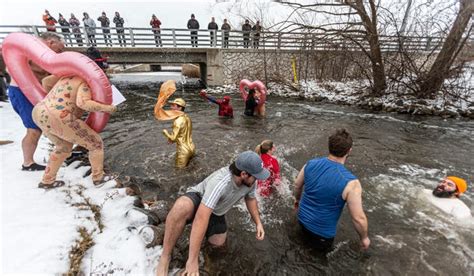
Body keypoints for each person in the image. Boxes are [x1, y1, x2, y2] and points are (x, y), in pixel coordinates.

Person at [155, 150, 269, 276]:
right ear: (243, 174)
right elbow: (201, 218)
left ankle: (206, 265)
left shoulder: (250, 181)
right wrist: (192, 260)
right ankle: (165, 258)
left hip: (217, 212)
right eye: (256, 176)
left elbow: (251, 199)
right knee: (181, 207)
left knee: (219, 247)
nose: (258, 179)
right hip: (199, 200)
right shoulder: (220, 182)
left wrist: (258, 223)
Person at [32, 64, 116, 188]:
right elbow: (83, 103)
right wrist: (108, 108)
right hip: (60, 115)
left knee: (63, 147)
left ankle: (47, 180)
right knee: (96, 144)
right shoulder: (86, 81)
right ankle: (98, 177)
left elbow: (46, 81)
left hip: (39, 111)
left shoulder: (66, 76)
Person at [294, 129, 370, 252]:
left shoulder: (310, 164)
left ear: (329, 147)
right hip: (322, 235)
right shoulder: (351, 183)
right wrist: (364, 238)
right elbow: (358, 218)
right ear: (349, 151)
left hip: (302, 220)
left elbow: (297, 185)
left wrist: (297, 200)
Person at [7, 32, 65, 171]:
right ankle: (28, 163)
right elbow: (12, 68)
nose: (60, 52)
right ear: (51, 42)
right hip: (21, 92)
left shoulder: (45, 56)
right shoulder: (29, 51)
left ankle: (64, 150)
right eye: (60, 49)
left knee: (51, 123)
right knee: (34, 129)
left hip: (35, 93)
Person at [162, 98, 195, 168]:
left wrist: (165, 132)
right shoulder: (187, 118)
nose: (171, 107)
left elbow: (173, 138)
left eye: (173, 106)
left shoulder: (177, 121)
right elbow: (183, 134)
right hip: (192, 147)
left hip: (183, 151)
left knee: (179, 172)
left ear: (179, 108)